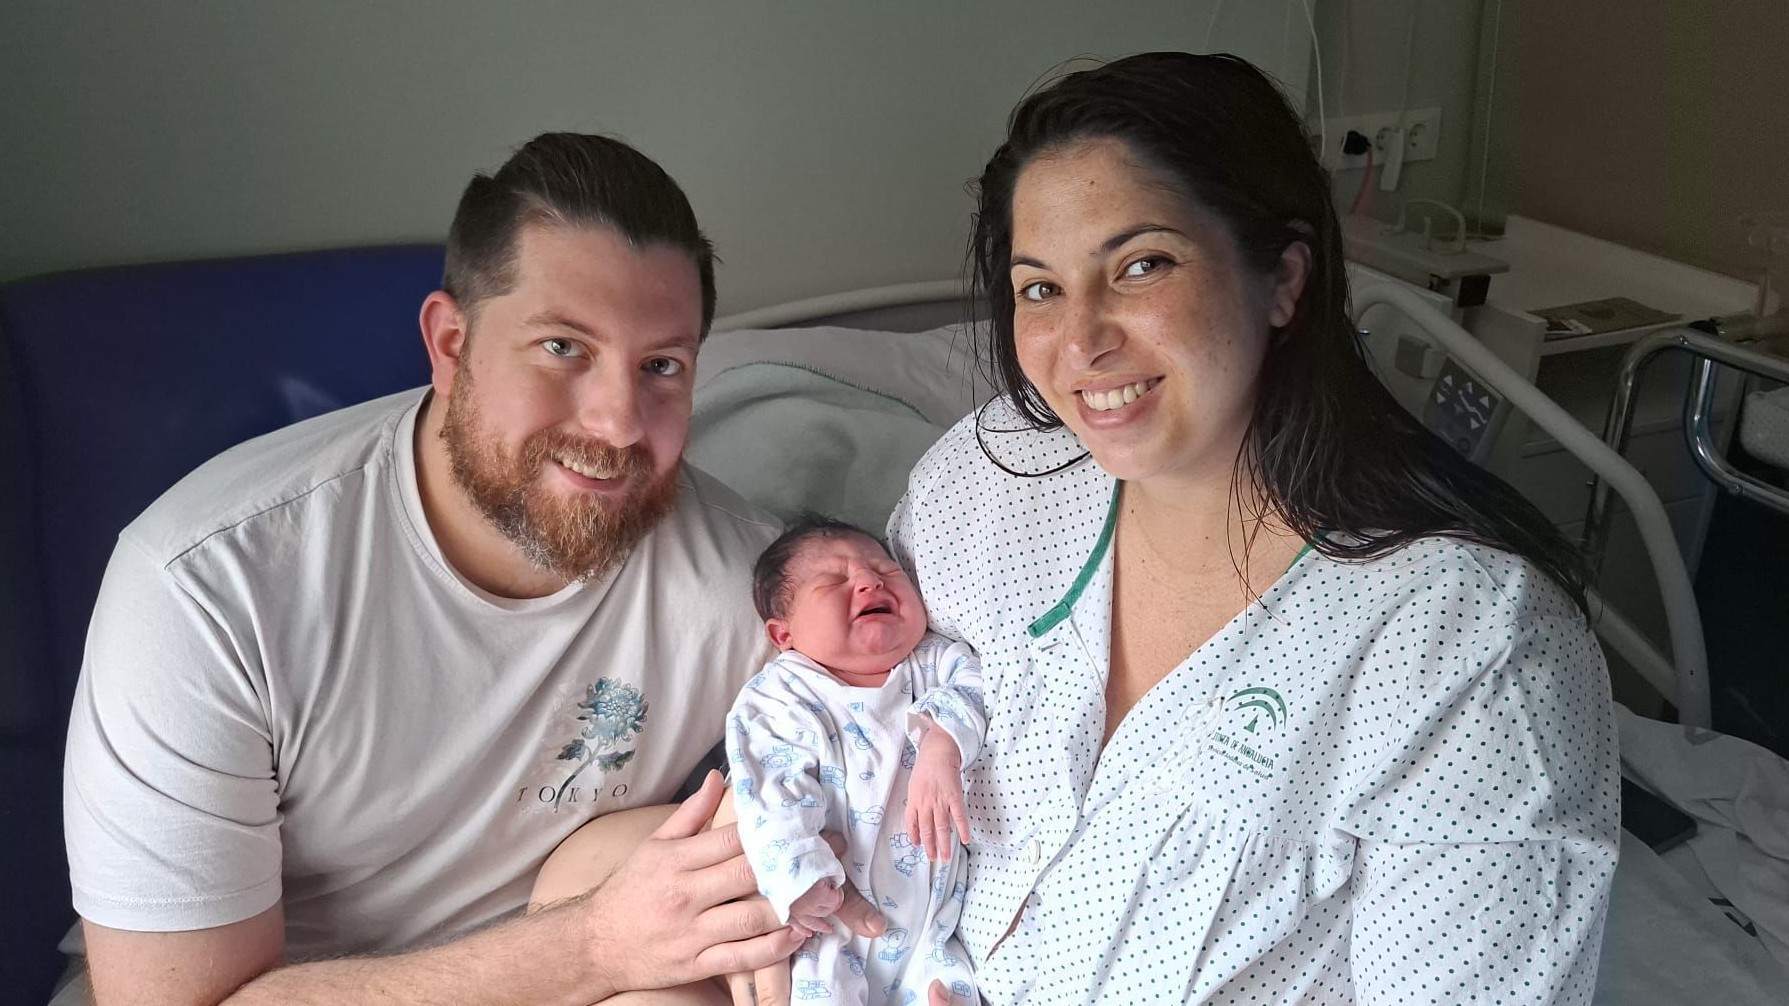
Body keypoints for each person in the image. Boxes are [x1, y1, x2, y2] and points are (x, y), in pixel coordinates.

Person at [884, 52, 1621, 1002]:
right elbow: (831, 693)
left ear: (1281, 280)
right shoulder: (991, 476)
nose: (1079, 343)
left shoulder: (1466, 650)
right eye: (1039, 288)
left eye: (1141, 265)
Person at [59, 132, 835, 1005]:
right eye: (562, 349)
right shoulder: (209, 586)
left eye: (661, 366)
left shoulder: (755, 588)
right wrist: (592, 947)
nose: (619, 423)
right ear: (450, 343)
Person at [726, 515, 984, 1005]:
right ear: (784, 635)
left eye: (885, 572)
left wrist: (940, 741)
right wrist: (800, 876)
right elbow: (768, 788)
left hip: (935, 927)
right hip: (831, 921)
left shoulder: (932, 662)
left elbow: (977, 685)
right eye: (833, 581)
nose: (868, 581)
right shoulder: (781, 695)